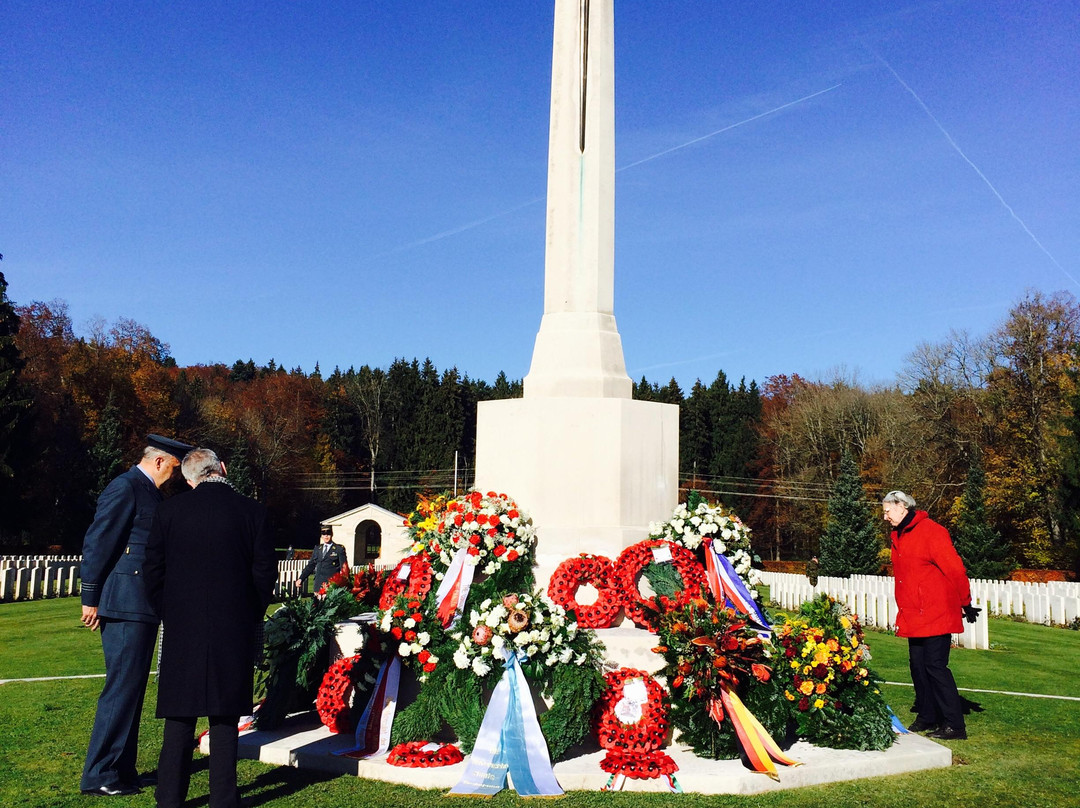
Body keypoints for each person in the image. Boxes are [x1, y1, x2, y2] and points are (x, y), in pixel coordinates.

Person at [144, 448, 277, 808]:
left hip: (182, 626)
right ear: (223, 468)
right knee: (223, 718)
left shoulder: (168, 511)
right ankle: (223, 799)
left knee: (179, 717)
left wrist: (170, 611)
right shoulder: (252, 512)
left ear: (189, 479)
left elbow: (153, 571)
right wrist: (248, 612)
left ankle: (169, 798)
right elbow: (264, 574)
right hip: (232, 626)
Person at [79, 433, 193, 797]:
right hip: (124, 603)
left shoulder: (149, 492)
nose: (175, 476)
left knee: (132, 691)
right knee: (121, 690)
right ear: (159, 461)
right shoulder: (125, 487)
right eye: (174, 468)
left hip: (139, 604)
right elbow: (99, 541)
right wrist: (90, 597)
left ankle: (122, 770)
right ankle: (99, 774)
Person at [883, 489, 979, 741]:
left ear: (902, 507)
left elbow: (955, 568)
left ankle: (954, 725)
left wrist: (965, 602)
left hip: (936, 611)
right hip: (914, 614)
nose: (885, 517)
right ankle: (927, 716)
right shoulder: (899, 535)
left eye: (887, 511)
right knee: (918, 667)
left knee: (935, 666)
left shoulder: (933, 531)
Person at [294, 524, 347, 594]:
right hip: (318, 585)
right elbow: (311, 565)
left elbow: (344, 569)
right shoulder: (317, 549)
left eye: (328, 533)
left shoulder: (339, 549)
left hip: (331, 586)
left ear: (332, 534)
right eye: (324, 534)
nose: (326, 536)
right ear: (321, 536)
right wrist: (301, 578)